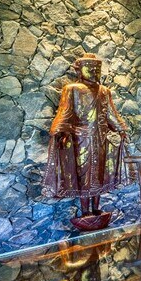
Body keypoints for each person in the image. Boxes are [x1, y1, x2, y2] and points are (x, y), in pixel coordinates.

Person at [42, 53, 132, 229]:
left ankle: (96, 208)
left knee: (99, 174)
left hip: (101, 139)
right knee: (84, 175)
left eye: (96, 68)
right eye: (89, 68)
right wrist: (60, 131)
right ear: (79, 69)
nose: (93, 71)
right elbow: (65, 112)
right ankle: (85, 211)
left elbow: (110, 114)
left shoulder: (104, 91)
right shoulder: (72, 89)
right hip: (80, 139)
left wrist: (121, 129)